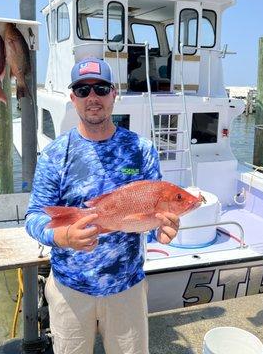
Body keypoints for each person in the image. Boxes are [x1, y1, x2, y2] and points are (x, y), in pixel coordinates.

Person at [25, 57, 180, 354]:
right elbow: (34, 217)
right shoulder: (55, 154)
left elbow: (149, 218)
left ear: (114, 94)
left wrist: (160, 231)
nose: (92, 97)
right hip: (70, 290)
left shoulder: (142, 150)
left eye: (101, 88)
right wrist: (62, 237)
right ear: (72, 99)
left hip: (127, 290)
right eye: (82, 91)